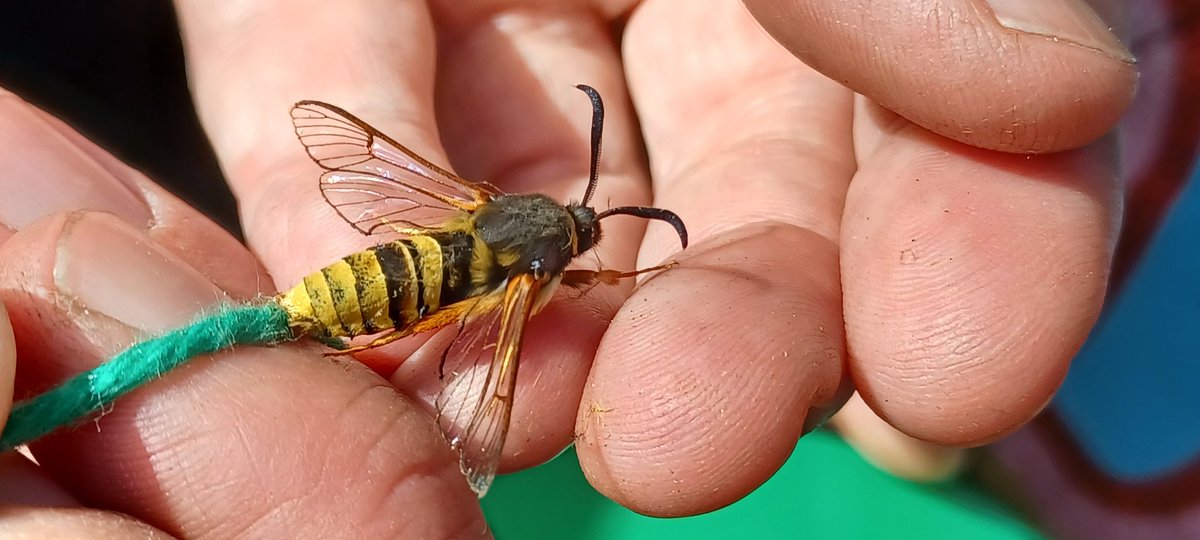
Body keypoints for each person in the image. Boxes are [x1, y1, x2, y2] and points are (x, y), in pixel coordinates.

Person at [0, 0, 1135, 537]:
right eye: (584, 240)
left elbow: (364, 160)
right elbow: (492, 374)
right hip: (346, 282)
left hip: (370, 262)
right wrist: (609, 286)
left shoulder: (495, 212)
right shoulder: (526, 286)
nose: (588, 241)